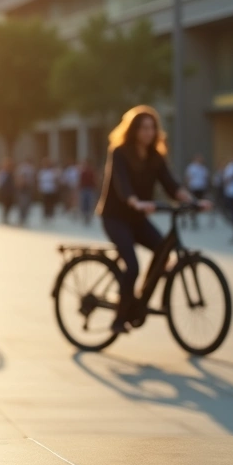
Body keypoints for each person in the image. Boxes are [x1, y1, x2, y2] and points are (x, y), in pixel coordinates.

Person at [97, 106, 200, 334]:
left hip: (137, 218)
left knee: (163, 250)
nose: (149, 132)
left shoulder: (155, 156)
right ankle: (118, 318)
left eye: (152, 128)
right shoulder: (120, 152)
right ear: (133, 130)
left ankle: (141, 297)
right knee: (132, 266)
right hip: (115, 217)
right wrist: (135, 201)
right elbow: (121, 184)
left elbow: (171, 185)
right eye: (144, 128)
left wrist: (193, 201)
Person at [184, 155, 210, 230]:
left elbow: (206, 178)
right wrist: (187, 187)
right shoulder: (191, 167)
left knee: (199, 204)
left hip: (201, 188)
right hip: (193, 187)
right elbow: (188, 177)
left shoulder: (203, 168)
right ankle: (193, 218)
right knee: (193, 203)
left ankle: (195, 217)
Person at [37, 158, 60, 223]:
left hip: (51, 189)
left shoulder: (53, 171)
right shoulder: (42, 171)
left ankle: (51, 215)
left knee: (51, 203)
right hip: (44, 189)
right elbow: (39, 181)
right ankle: (45, 215)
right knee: (45, 203)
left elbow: (56, 180)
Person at [77, 158, 98, 227]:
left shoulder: (91, 171)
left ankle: (88, 216)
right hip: (84, 189)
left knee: (89, 203)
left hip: (90, 189)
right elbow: (80, 181)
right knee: (84, 203)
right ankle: (85, 216)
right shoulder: (82, 172)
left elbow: (94, 180)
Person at [16, 158, 36, 226]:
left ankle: (23, 217)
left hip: (27, 187)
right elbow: (21, 177)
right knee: (23, 203)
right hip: (24, 188)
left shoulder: (30, 168)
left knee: (26, 203)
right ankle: (22, 217)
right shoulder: (24, 168)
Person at [0, 158, 16, 225]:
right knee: (5, 205)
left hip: (11, 193)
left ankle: (6, 217)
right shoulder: (2, 173)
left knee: (10, 205)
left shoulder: (12, 173)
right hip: (4, 193)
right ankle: (4, 218)